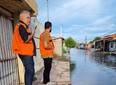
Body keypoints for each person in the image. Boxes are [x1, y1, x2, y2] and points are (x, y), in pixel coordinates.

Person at [12, 10, 36, 85]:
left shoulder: (23, 26)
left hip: (26, 52)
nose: (29, 20)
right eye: (28, 18)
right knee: (29, 71)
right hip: (25, 53)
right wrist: (32, 33)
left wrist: (28, 32)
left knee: (30, 71)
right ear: (22, 17)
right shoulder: (21, 26)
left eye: (30, 18)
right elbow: (26, 39)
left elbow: (24, 37)